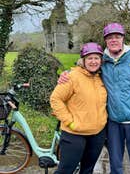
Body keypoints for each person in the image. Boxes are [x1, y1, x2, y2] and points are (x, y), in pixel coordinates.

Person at [58, 23, 130, 174]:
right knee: (115, 165)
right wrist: (65, 74)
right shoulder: (101, 60)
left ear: (123, 38)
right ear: (105, 40)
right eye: (110, 37)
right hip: (113, 122)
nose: (114, 40)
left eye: (117, 36)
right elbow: (83, 69)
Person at [50, 42, 108, 174]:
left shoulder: (102, 78)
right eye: (89, 58)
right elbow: (55, 99)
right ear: (83, 60)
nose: (93, 61)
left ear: (101, 60)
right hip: (74, 134)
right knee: (65, 170)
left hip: (97, 134)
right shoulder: (71, 76)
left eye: (96, 58)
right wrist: (69, 121)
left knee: (87, 170)